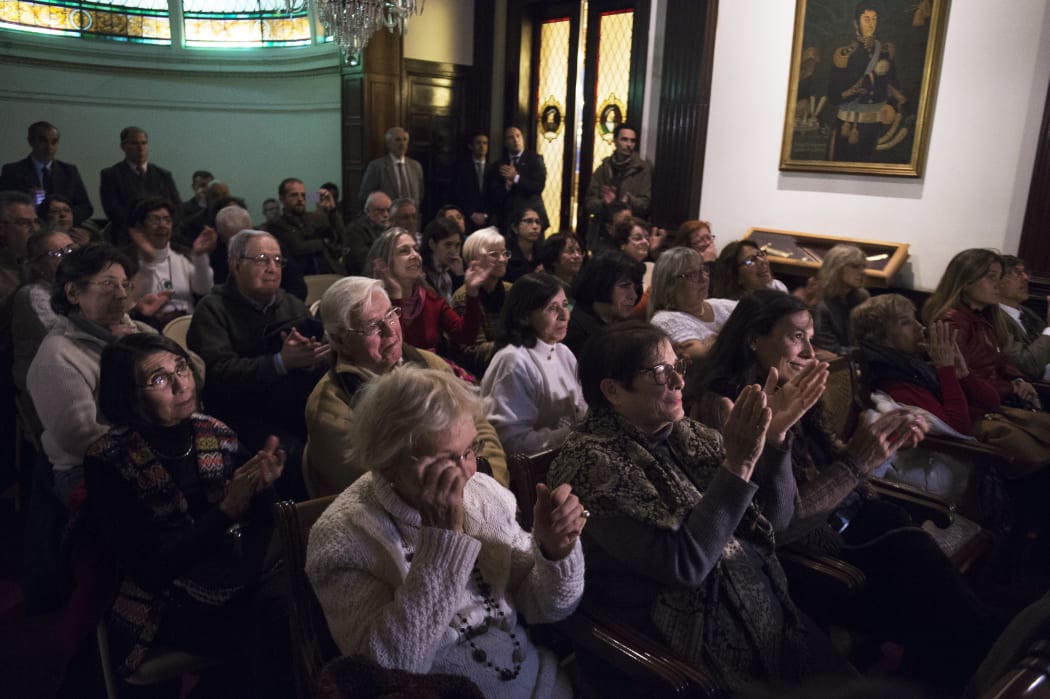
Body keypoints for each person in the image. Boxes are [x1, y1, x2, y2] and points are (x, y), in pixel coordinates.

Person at [691, 289, 1002, 695]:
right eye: (797, 336)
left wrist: (881, 440)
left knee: (953, 614)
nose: (809, 349)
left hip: (854, 523)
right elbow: (774, 526)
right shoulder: (726, 405)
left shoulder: (795, 385)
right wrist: (849, 460)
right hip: (812, 559)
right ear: (753, 338)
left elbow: (838, 463)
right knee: (954, 618)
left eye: (811, 336)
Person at [548, 320, 844, 691]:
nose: (679, 382)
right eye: (660, 372)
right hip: (682, 649)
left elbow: (774, 522)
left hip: (767, 612)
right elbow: (685, 565)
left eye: (678, 367)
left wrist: (774, 440)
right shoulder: (590, 463)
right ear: (613, 391)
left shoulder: (689, 433)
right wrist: (737, 465)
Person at [306, 365, 585, 697]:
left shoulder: (483, 494)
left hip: (538, 683)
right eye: (445, 461)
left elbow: (548, 607)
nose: (467, 470)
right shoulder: (342, 536)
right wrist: (441, 544)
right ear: (388, 462)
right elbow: (386, 671)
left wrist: (555, 552)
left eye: (470, 449)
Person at [85, 333, 292, 696]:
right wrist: (228, 511)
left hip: (232, 576)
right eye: (160, 379)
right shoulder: (109, 459)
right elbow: (151, 570)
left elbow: (263, 520)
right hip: (163, 603)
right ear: (128, 394)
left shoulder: (213, 430)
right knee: (274, 627)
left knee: (305, 601)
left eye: (182, 367)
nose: (182, 384)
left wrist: (262, 485)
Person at [303, 277, 507, 497]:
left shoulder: (428, 363)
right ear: (340, 340)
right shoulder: (330, 404)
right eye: (372, 326)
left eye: (391, 315)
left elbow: (480, 428)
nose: (390, 331)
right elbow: (374, 488)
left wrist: (488, 486)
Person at [187, 230, 328, 493]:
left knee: (340, 437)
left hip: (294, 407)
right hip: (243, 414)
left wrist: (313, 358)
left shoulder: (292, 305)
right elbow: (219, 375)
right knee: (294, 458)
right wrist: (280, 363)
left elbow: (310, 367)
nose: (273, 267)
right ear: (235, 264)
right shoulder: (213, 309)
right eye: (262, 258)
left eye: (278, 260)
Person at [25, 244, 157, 505]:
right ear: (73, 292)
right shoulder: (57, 355)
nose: (121, 295)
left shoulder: (134, 331)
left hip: (150, 448)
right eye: (109, 284)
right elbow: (83, 439)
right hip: (87, 469)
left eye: (125, 284)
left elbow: (192, 376)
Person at [922, 249, 1042, 413]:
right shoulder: (952, 322)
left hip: (996, 402)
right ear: (966, 281)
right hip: (978, 411)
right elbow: (961, 380)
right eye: (991, 277)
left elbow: (999, 361)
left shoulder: (983, 316)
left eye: (999, 278)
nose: (998, 284)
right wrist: (1010, 388)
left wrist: (1019, 380)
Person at [480, 273, 586, 455]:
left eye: (565, 305)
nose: (564, 316)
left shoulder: (563, 352)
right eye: (553, 308)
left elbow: (581, 410)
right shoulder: (514, 361)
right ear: (525, 316)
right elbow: (512, 442)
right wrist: (572, 434)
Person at [367, 227, 486, 358]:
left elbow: (466, 336)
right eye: (404, 251)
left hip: (429, 371)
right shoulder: (372, 304)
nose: (415, 255)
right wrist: (395, 294)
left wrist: (472, 291)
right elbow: (395, 351)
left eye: (415, 249)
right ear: (384, 264)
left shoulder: (429, 299)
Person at [827, 3, 908, 163]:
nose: (871, 24)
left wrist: (891, 105)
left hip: (876, 127)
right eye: (866, 19)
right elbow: (833, 96)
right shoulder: (845, 54)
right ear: (856, 23)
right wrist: (854, 90)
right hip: (849, 126)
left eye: (874, 19)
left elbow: (893, 85)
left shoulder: (884, 51)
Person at [126, 197, 216, 329]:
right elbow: (130, 301)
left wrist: (199, 256)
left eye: (167, 220)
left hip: (187, 326)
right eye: (155, 220)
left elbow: (204, 289)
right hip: (146, 328)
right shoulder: (127, 258)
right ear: (140, 226)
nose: (162, 225)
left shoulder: (181, 255)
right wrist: (149, 263)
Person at [11, 229, 75, 391]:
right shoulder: (32, 294)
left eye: (70, 249)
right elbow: (61, 340)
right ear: (37, 264)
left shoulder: (77, 286)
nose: (68, 257)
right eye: (56, 254)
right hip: (43, 380)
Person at [648, 247, 737, 361]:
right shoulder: (664, 320)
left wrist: (713, 340)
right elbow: (701, 355)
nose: (703, 278)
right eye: (693, 274)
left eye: (703, 269)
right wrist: (739, 325)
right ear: (670, 283)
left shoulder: (718, 305)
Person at [99, 126, 181, 246]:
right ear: (123, 146)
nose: (140, 148)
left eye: (144, 143)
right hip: (127, 237)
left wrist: (162, 225)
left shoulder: (163, 175)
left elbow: (176, 205)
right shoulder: (111, 174)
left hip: (162, 236)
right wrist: (142, 227)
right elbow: (112, 209)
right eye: (134, 143)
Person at [0, 121, 94, 225]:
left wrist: (66, 215)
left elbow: (86, 207)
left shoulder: (69, 171)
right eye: (43, 141)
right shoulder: (13, 171)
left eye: (54, 142)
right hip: (29, 229)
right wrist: (28, 201)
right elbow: (5, 207)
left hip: (63, 230)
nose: (49, 147)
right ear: (31, 141)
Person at [451, 227, 512, 375]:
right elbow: (473, 352)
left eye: (504, 253)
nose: (503, 259)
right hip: (476, 375)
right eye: (494, 255)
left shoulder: (511, 290)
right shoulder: (463, 296)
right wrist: (517, 341)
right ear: (474, 259)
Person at [583, 123, 652, 252]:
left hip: (630, 234)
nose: (628, 144)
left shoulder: (642, 169)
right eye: (624, 139)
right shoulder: (604, 169)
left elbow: (646, 204)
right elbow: (589, 203)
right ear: (615, 141)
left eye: (632, 141)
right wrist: (604, 203)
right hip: (604, 233)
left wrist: (629, 201)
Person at [564, 251, 642, 358]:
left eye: (635, 288)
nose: (634, 295)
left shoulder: (621, 325)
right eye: (625, 286)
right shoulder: (576, 330)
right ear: (601, 283)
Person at [264, 177, 344, 274]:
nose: (300, 199)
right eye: (294, 195)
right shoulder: (276, 224)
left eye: (303, 195)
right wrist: (324, 242)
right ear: (282, 199)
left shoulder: (314, 218)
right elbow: (298, 247)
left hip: (329, 271)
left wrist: (332, 210)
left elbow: (341, 238)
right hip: (300, 276)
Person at [483, 126, 548, 232]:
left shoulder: (535, 159)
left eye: (518, 136)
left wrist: (516, 178)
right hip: (508, 220)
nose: (515, 140)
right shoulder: (499, 165)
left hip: (532, 218)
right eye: (511, 137)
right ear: (505, 142)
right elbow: (493, 194)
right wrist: (507, 186)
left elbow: (538, 186)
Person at [812, 244, 869, 359]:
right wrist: (866, 353)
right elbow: (828, 350)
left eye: (863, 267)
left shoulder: (862, 298)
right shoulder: (821, 305)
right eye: (855, 266)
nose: (862, 272)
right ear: (837, 268)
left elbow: (873, 341)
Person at [998, 255, 1050, 380]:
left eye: (1025, 273)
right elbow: (1027, 366)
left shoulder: (1028, 313)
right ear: (997, 281)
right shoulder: (994, 318)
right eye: (1017, 273)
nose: (1026, 278)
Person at [358, 126, 425, 208]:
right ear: (388, 143)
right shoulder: (377, 166)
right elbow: (365, 195)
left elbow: (420, 195)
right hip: (388, 216)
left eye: (405, 139)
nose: (402, 144)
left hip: (412, 217)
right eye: (398, 140)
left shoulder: (416, 166)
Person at [710, 239, 789, 300]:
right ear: (736, 276)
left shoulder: (778, 287)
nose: (761, 261)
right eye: (750, 260)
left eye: (760, 254)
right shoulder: (733, 308)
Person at [449, 132, 490, 232]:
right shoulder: (461, 168)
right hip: (467, 218)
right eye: (478, 143)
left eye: (485, 143)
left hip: (488, 220)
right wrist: (472, 214)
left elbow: (495, 197)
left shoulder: (493, 169)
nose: (482, 146)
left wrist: (485, 215)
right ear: (471, 146)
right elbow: (456, 193)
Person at [421, 216, 464, 306]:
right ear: (432, 244)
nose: (453, 251)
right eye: (448, 245)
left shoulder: (457, 271)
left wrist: (459, 276)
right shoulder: (422, 274)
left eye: (457, 245)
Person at [505, 207, 543, 283]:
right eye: (529, 221)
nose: (535, 226)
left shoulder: (542, 252)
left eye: (538, 222)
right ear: (515, 228)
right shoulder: (506, 253)